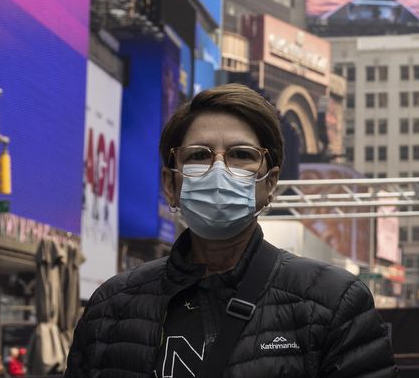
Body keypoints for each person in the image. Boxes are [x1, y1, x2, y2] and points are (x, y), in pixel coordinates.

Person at [65, 84, 394, 378]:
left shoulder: (334, 302)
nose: (218, 170)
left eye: (241, 155)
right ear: (170, 184)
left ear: (270, 183)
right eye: (198, 155)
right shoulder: (111, 307)